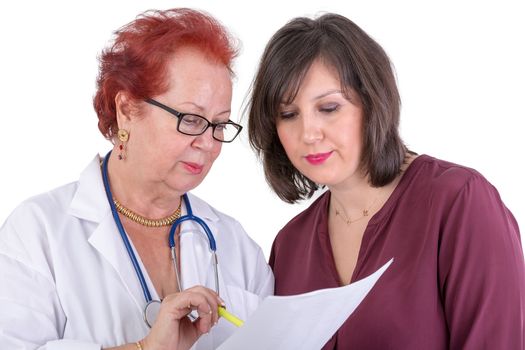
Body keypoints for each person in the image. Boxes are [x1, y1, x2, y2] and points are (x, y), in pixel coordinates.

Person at [0, 8, 273, 350]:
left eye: (219, 125)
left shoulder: (236, 245)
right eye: (191, 119)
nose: (208, 143)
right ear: (127, 109)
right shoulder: (37, 232)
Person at [247, 13, 525, 349]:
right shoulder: (289, 246)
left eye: (330, 107)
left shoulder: (459, 202)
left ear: (372, 102)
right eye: (288, 114)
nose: (308, 133)